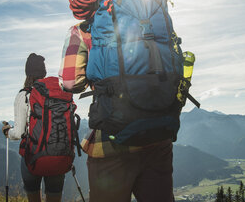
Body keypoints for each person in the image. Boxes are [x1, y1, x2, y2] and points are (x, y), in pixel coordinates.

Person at [59, 18, 175, 202]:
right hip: (158, 133)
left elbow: (71, 82)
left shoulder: (83, 29)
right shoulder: (148, 19)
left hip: (109, 141)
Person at [2, 53, 65, 202]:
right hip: (58, 154)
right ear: (44, 72)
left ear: (27, 72)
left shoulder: (24, 95)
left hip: (33, 157)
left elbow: (18, 133)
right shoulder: (59, 94)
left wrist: (7, 131)